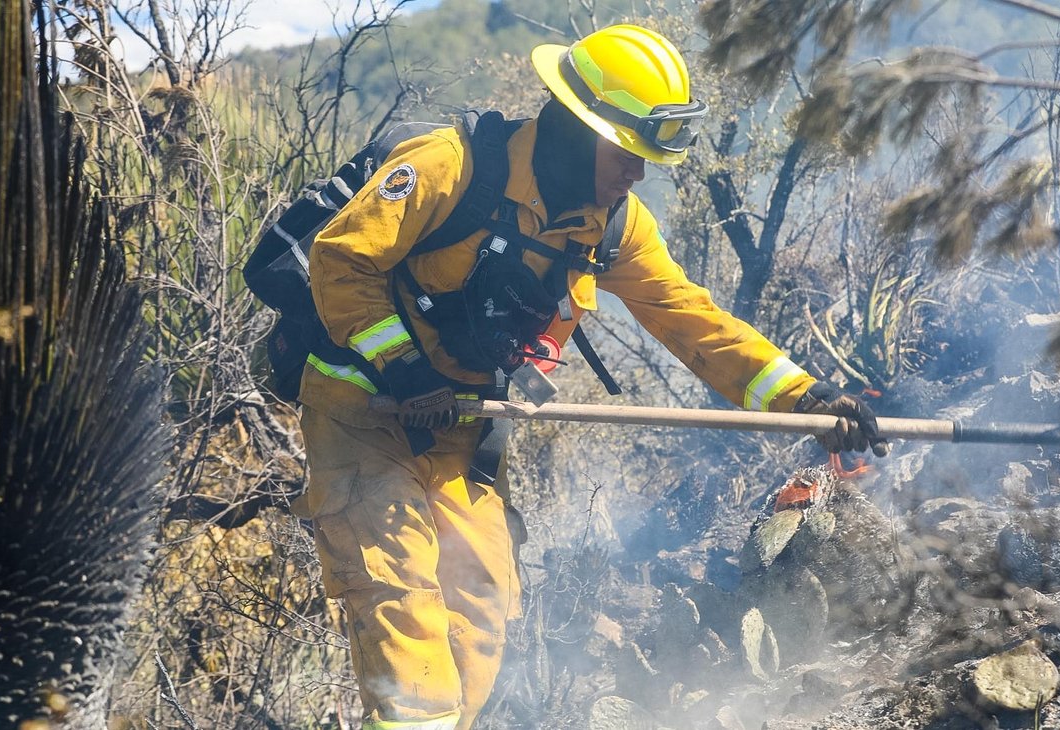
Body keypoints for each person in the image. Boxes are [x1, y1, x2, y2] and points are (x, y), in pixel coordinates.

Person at [293, 23, 888, 730]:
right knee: (402, 605)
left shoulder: (613, 227)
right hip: (364, 409)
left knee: (478, 619)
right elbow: (341, 261)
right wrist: (403, 365)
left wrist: (805, 396)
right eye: (626, 153)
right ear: (577, 129)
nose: (637, 175)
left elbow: (688, 317)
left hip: (459, 426)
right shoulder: (452, 167)